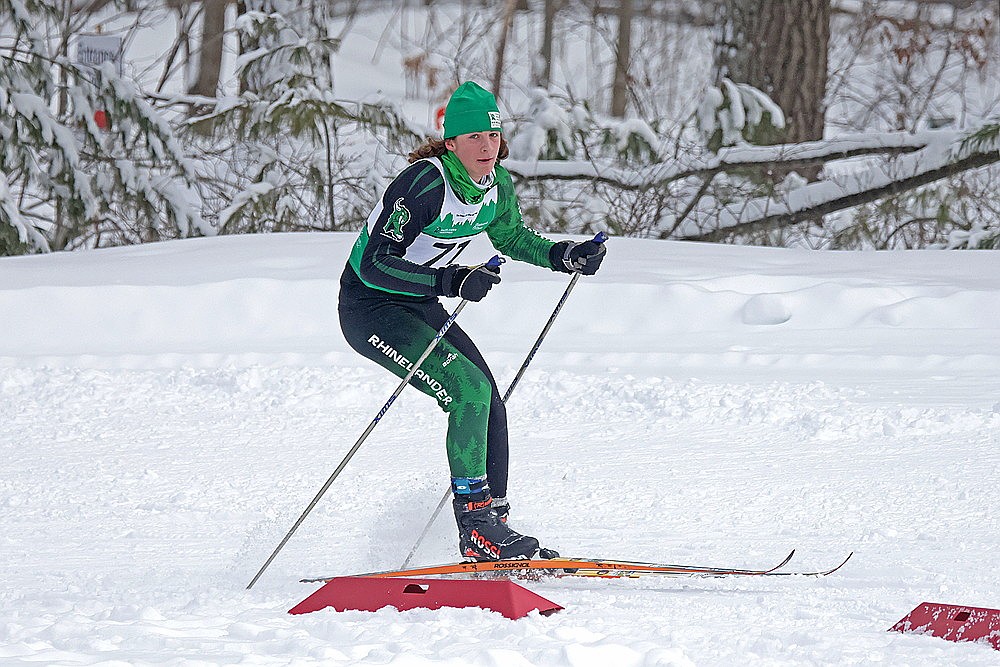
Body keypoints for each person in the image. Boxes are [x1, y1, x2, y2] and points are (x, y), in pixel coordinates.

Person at [338, 81, 606, 561]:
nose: (487, 147)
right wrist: (451, 281)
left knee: (489, 400)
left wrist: (564, 255)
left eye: (494, 136)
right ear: (452, 142)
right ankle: (475, 524)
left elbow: (513, 237)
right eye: (475, 137)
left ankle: (493, 523)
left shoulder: (497, 185)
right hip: (370, 308)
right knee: (467, 390)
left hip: (418, 305)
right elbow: (374, 263)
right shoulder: (425, 182)